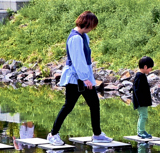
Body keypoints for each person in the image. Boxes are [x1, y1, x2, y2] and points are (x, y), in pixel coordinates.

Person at [46, 11, 111, 146]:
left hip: (84, 77)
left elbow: (85, 59)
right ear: (86, 24)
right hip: (75, 78)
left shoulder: (83, 36)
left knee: (94, 104)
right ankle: (53, 134)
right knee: (68, 106)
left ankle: (97, 134)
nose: (92, 30)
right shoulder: (75, 38)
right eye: (91, 26)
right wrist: (85, 78)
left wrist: (87, 77)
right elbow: (78, 60)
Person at [133, 56, 154, 139]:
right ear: (145, 67)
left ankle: (141, 130)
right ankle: (141, 131)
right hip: (141, 102)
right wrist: (141, 102)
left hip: (142, 101)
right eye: (150, 68)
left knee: (142, 115)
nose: (151, 70)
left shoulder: (141, 75)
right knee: (143, 116)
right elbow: (137, 90)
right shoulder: (140, 76)